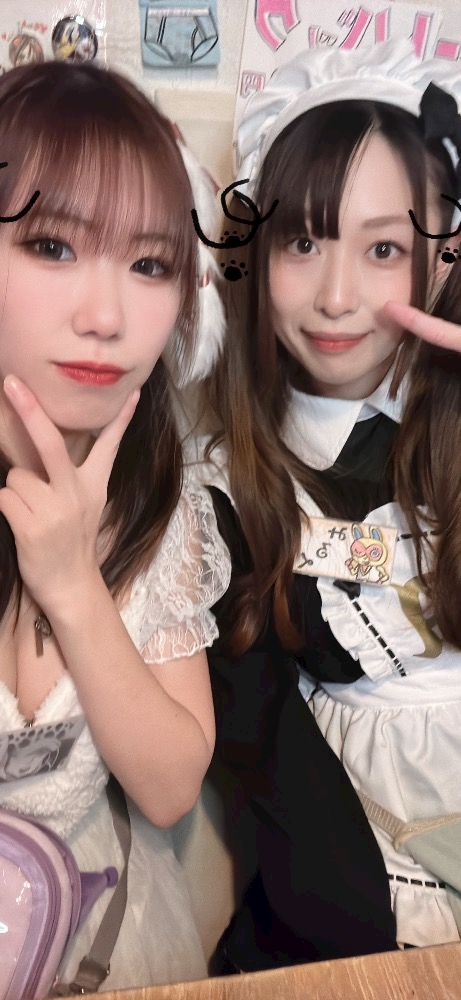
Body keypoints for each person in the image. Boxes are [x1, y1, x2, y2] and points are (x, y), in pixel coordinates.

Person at [188, 38, 461, 971]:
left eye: (383, 248)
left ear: (441, 257)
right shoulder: (224, 489)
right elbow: (268, 757)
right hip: (359, 866)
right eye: (302, 242)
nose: (336, 297)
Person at [0, 59, 230, 991]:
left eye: (149, 264)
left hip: (97, 921)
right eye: (52, 245)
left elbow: (170, 787)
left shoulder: (165, 500)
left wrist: (72, 587)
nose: (106, 317)